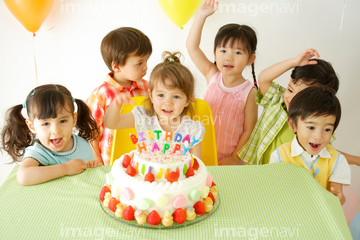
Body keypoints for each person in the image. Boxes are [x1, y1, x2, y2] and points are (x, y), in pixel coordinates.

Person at [238, 49, 342, 165]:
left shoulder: (318, 125)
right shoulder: (277, 100)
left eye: (301, 96)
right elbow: (263, 78)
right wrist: (294, 62)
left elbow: (328, 154)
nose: (291, 98)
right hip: (261, 170)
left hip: (291, 178)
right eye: (290, 90)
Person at [186, 0, 258, 165]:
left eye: (238, 52)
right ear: (215, 53)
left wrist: (234, 158)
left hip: (229, 159)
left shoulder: (250, 91)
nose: (229, 57)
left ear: (250, 59)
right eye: (223, 50)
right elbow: (192, 47)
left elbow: (249, 130)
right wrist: (201, 16)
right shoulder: (212, 75)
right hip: (200, 152)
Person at [104, 51, 205, 157]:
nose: (168, 102)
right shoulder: (143, 118)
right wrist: (116, 105)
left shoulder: (192, 129)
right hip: (144, 173)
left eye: (176, 97)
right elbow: (111, 123)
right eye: (161, 95)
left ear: (187, 100)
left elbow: (196, 165)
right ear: (151, 96)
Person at [1, 84, 101, 185]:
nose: (56, 130)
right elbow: (24, 176)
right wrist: (66, 168)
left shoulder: (82, 144)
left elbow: (92, 175)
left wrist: (93, 165)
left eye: (63, 121)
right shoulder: (39, 152)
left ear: (74, 119)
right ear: (32, 126)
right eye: (45, 124)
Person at [270, 86, 351, 205]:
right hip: (288, 214)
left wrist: (339, 199)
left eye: (327, 129)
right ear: (293, 125)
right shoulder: (280, 156)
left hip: (320, 217)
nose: (318, 136)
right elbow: (275, 193)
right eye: (311, 127)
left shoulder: (336, 160)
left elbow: (337, 196)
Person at [87, 27, 152, 165]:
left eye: (146, 61)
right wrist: (96, 160)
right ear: (116, 66)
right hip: (112, 162)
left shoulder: (149, 88)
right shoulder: (101, 94)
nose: (145, 67)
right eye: (139, 63)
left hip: (144, 159)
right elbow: (91, 133)